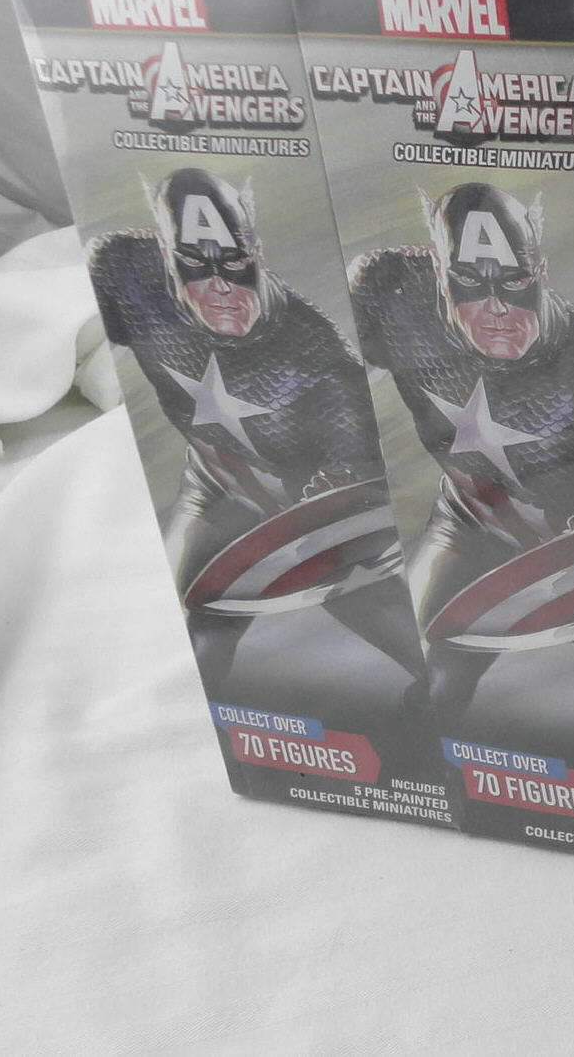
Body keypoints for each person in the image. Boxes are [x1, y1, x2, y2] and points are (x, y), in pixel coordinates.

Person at [348, 182, 574, 732]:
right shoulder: (395, 294)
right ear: (439, 276)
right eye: (471, 284)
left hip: (570, 544)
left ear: (540, 274)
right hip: (469, 522)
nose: (497, 307)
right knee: (435, 683)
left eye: (513, 282)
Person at [89, 167, 427, 701]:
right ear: (167, 260)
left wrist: (336, 491)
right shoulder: (128, 272)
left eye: (233, 263)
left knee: (351, 583)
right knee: (192, 623)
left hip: (304, 495)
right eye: (196, 265)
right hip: (217, 480)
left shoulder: (315, 352)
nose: (220, 285)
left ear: (257, 256)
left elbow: (350, 469)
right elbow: (88, 341)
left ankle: (437, 701)